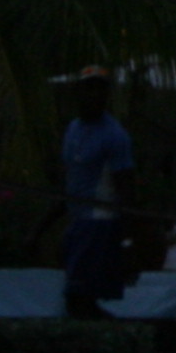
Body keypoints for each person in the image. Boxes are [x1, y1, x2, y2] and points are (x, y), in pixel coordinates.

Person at [60, 66, 140, 318]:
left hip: (99, 224)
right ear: (78, 92)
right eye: (89, 88)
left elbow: (126, 189)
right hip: (77, 223)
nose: (94, 95)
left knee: (80, 299)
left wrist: (127, 241)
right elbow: (69, 182)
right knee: (78, 300)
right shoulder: (73, 128)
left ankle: (122, 338)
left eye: (100, 89)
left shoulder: (114, 136)